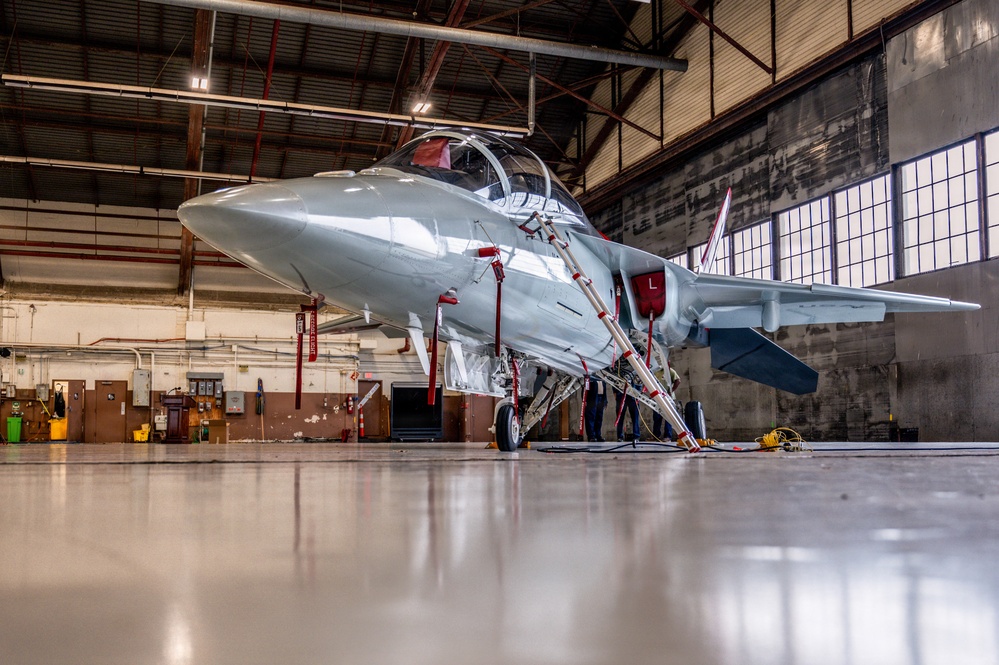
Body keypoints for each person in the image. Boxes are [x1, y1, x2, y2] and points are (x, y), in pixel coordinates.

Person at [652, 364, 681, 441]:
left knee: (668, 417)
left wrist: (671, 390)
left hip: (668, 398)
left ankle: (667, 436)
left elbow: (678, 380)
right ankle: (656, 436)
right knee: (656, 417)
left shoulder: (670, 371)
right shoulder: (656, 372)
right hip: (658, 398)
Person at [583, 377, 606, 442]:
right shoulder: (591, 378)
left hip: (600, 399)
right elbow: (585, 388)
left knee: (599, 418)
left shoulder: (602, 379)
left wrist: (605, 401)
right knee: (591, 418)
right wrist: (585, 400)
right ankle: (591, 436)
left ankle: (598, 435)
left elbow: (605, 390)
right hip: (592, 399)